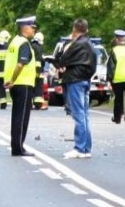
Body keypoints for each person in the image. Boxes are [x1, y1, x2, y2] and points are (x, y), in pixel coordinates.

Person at [57, 18, 96, 159]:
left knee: (78, 114)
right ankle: (86, 148)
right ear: (87, 29)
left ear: (74, 29)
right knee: (85, 115)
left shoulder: (76, 44)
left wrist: (69, 42)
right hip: (85, 81)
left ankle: (79, 147)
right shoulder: (90, 44)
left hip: (75, 81)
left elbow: (62, 59)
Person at [4, 17, 37, 156]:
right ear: (26, 28)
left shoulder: (14, 42)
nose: (34, 30)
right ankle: (18, 148)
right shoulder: (24, 44)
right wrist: (13, 79)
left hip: (16, 85)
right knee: (22, 117)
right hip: (22, 84)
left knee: (17, 116)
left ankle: (16, 146)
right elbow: (20, 64)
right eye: (33, 27)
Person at [31, 31, 48, 110]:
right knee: (39, 87)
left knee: (32, 87)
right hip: (39, 71)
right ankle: (38, 104)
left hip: (31, 71)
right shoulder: (39, 48)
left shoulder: (31, 46)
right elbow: (41, 60)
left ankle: (30, 103)